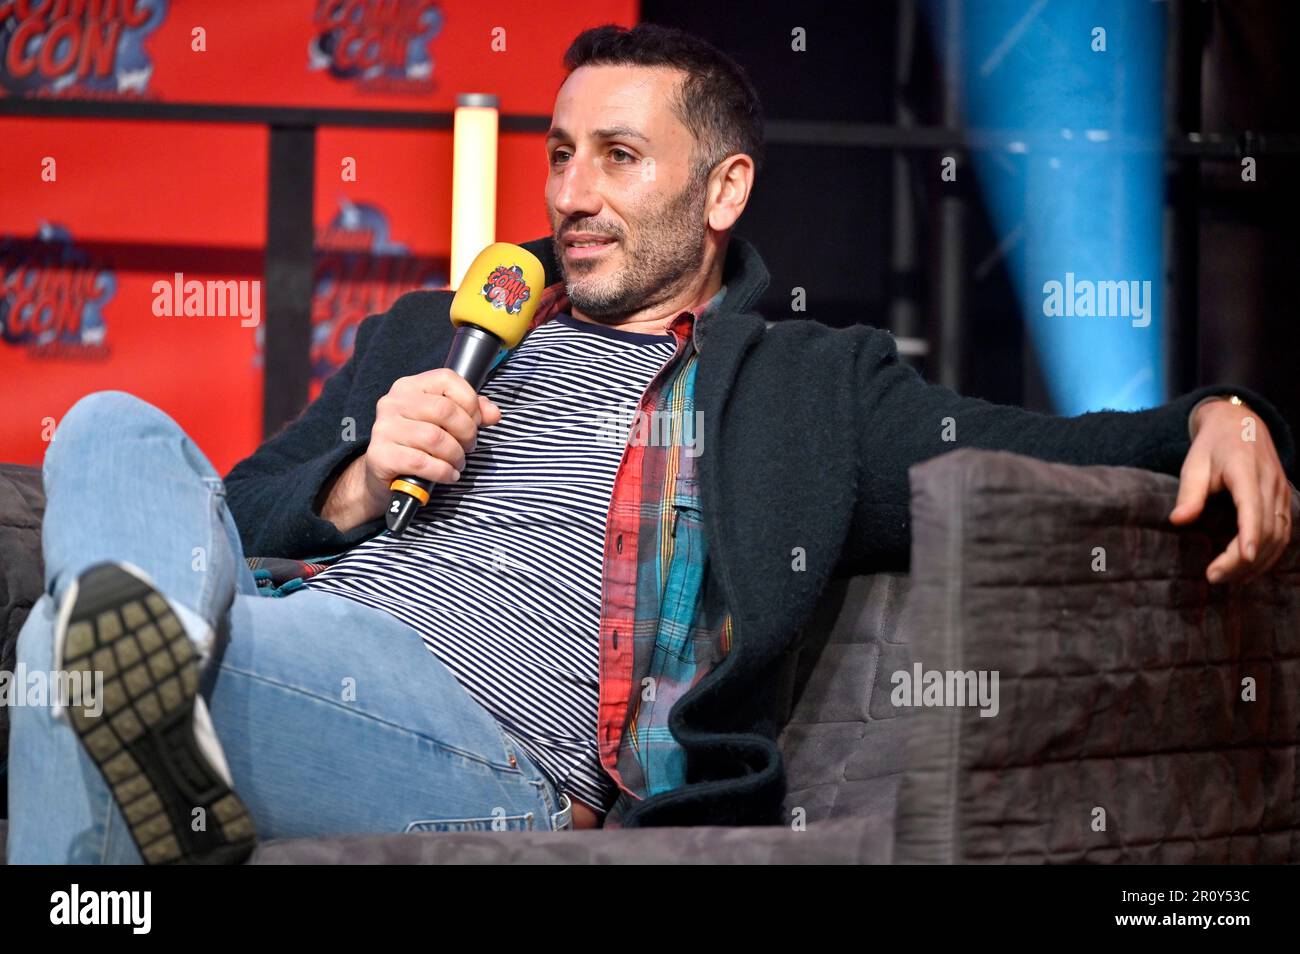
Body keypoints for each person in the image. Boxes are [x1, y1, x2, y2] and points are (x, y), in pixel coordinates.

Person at [6, 23, 1294, 864]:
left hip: (489, 742)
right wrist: (349, 483)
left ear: (723, 191)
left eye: (619, 157)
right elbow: (224, 512)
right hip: (285, 630)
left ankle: (136, 687)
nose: (570, 193)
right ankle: (146, 691)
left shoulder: (808, 382)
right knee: (118, 431)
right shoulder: (428, 331)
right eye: (562, 154)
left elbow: (1050, 441)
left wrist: (1219, 412)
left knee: (63, 663)